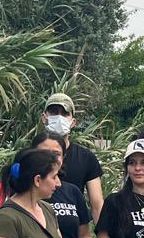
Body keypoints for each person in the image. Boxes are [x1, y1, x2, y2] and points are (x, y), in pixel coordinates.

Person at [33, 131, 97, 238]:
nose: (50, 159)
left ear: (63, 157)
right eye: (43, 153)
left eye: (56, 153)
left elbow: (84, 234)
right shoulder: (25, 191)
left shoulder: (72, 191)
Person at [41, 92, 105, 221]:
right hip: (37, 229)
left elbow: (97, 205)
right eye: (53, 112)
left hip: (75, 231)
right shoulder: (31, 155)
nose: (59, 117)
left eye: (65, 114)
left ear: (73, 122)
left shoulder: (86, 158)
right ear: (44, 118)